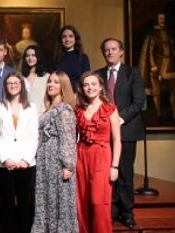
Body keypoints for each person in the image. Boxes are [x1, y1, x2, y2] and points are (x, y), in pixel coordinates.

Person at [97, 38, 146, 228]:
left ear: (121, 52)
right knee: (107, 174)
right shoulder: (98, 75)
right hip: (103, 134)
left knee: (124, 173)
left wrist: (117, 119)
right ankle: (111, 210)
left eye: (113, 49)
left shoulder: (132, 73)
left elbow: (138, 102)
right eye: (106, 50)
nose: (109, 52)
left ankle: (127, 212)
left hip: (126, 131)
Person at [30, 71, 78, 233]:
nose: (51, 84)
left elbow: (68, 139)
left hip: (58, 163)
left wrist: (68, 166)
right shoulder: (50, 108)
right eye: (50, 81)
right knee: (47, 200)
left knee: (60, 203)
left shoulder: (64, 110)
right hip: (45, 162)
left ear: (63, 86)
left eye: (56, 82)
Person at [75, 71, 122, 233]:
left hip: (102, 156)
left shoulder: (110, 109)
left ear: (101, 86)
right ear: (82, 88)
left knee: (98, 201)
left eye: (93, 84)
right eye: (86, 85)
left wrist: (114, 166)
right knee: (82, 201)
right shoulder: (79, 110)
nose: (90, 88)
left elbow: (116, 140)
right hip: (81, 156)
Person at [0, 71, 38, 233]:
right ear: (5, 86)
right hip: (5, 162)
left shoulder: (32, 108)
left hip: (26, 162)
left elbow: (34, 137)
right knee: (6, 202)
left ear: (22, 86)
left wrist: (25, 160)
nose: (13, 85)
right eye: (9, 83)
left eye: (16, 83)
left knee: (25, 202)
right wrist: (5, 159)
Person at [139, 13, 175, 119]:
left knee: (173, 90)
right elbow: (150, 52)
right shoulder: (152, 35)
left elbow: (173, 48)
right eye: (161, 18)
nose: (163, 20)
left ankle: (174, 114)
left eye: (164, 18)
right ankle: (159, 114)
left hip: (170, 64)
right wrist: (153, 65)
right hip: (157, 65)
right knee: (156, 92)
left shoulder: (170, 33)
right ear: (156, 20)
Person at [52, 25, 90, 89]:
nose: (67, 39)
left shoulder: (83, 58)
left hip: (77, 95)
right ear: (61, 40)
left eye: (71, 36)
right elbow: (52, 80)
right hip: (59, 94)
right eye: (64, 37)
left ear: (75, 39)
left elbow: (86, 80)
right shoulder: (55, 58)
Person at [22, 45, 50, 116]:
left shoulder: (46, 76)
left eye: (33, 55)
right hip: (24, 115)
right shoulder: (20, 77)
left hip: (41, 115)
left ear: (38, 57)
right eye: (27, 55)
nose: (30, 58)